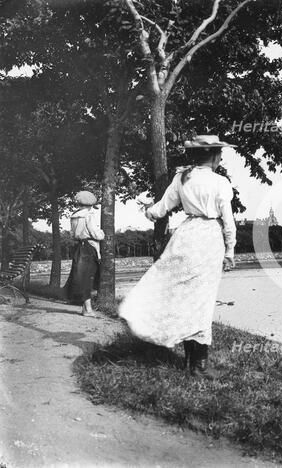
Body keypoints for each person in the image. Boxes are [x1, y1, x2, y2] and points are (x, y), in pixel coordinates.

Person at [118, 135, 237, 379]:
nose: (221, 158)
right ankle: (198, 365)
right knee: (203, 300)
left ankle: (189, 362)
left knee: (184, 298)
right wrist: (230, 250)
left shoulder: (182, 178)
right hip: (208, 238)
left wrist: (146, 209)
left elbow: (159, 210)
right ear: (214, 156)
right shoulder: (220, 182)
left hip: (186, 236)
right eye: (220, 154)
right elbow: (228, 222)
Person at [64, 191, 104, 316]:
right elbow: (95, 233)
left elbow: (72, 234)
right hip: (89, 247)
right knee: (88, 278)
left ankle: (85, 308)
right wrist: (102, 234)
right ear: (91, 204)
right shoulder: (89, 215)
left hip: (78, 247)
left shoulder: (74, 215)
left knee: (82, 277)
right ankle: (89, 309)